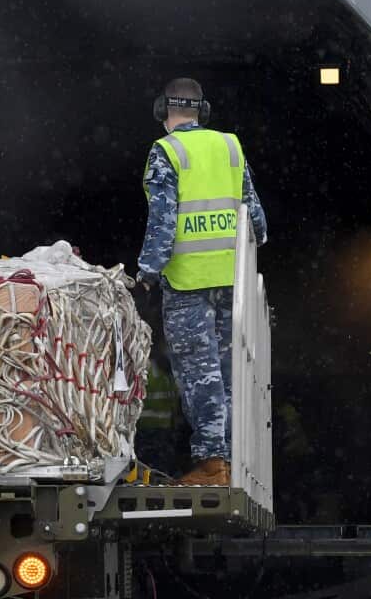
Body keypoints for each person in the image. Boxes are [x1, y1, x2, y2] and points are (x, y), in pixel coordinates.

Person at [136, 77, 267, 486]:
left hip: (188, 283)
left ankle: (212, 463)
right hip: (231, 281)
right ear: (202, 110)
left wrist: (147, 272)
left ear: (163, 111)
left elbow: (163, 220)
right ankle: (228, 460)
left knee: (199, 374)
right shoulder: (230, 147)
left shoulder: (166, 152)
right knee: (229, 375)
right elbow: (256, 220)